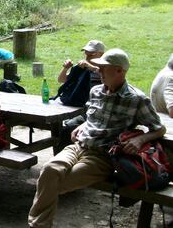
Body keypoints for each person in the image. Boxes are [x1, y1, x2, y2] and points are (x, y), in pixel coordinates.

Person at [28, 48, 166, 228]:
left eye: (103, 68)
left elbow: (159, 128)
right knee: (49, 171)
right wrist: (82, 125)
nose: (98, 71)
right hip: (78, 146)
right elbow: (90, 117)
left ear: (120, 71)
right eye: (98, 67)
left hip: (102, 156)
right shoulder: (96, 91)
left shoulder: (136, 99)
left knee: (53, 184)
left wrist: (140, 140)